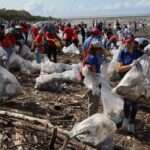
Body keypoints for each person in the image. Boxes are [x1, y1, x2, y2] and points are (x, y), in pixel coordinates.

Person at [117, 38, 143, 134]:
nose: (127, 45)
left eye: (129, 43)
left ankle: (131, 122)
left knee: (135, 103)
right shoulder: (123, 53)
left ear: (133, 44)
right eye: (126, 43)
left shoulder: (139, 53)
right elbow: (119, 69)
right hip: (125, 82)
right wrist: (130, 65)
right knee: (127, 102)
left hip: (136, 82)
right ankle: (126, 120)